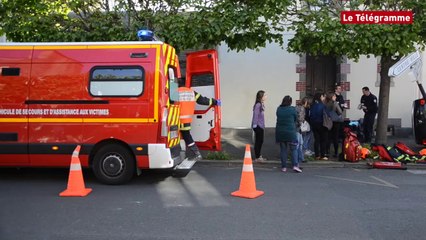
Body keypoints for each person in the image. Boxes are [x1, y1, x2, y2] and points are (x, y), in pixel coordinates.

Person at [178, 79, 220, 160]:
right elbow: (202, 100)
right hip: (187, 120)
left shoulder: (175, 92)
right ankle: (189, 154)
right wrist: (214, 101)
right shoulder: (191, 92)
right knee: (185, 136)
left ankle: (196, 154)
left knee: (185, 137)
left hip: (176, 120)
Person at [275, 96, 302, 173]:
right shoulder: (292, 109)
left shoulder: (278, 109)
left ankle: (284, 167)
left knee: (283, 150)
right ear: (290, 102)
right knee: (294, 149)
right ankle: (295, 165)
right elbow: (295, 119)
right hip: (291, 132)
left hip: (280, 132)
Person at [310, 92, 329, 160]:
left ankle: (317, 155)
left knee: (316, 140)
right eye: (322, 96)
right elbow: (327, 115)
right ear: (320, 97)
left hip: (314, 124)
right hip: (322, 124)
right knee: (323, 140)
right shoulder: (323, 105)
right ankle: (322, 155)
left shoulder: (312, 105)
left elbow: (311, 115)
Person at [325, 92, 343, 158]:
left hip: (328, 121)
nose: (335, 97)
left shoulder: (326, 103)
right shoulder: (335, 103)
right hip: (335, 122)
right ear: (332, 97)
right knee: (335, 137)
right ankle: (336, 152)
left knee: (328, 137)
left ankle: (327, 151)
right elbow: (340, 112)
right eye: (334, 96)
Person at [251, 90, 267, 163]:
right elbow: (255, 115)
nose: (266, 96)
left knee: (260, 141)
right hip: (258, 126)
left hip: (261, 125)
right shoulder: (258, 105)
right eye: (265, 95)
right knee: (258, 141)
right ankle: (257, 157)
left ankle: (259, 155)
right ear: (261, 96)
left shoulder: (261, 104)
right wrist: (255, 126)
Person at [295, 98, 307, 164]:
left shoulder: (296, 107)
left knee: (299, 143)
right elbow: (300, 118)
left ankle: (299, 158)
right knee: (299, 144)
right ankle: (298, 159)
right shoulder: (302, 108)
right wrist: (302, 124)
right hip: (298, 128)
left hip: (295, 127)